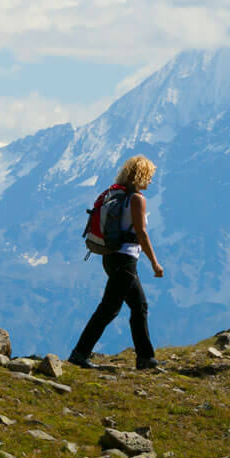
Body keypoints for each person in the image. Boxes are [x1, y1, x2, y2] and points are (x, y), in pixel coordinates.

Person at [68, 155, 164, 370]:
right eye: (149, 176)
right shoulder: (137, 199)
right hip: (126, 259)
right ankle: (79, 353)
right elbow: (141, 233)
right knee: (109, 309)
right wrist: (155, 263)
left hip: (112, 257)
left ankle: (145, 358)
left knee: (139, 305)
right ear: (141, 175)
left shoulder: (120, 196)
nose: (151, 180)